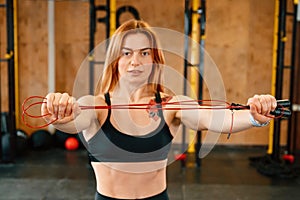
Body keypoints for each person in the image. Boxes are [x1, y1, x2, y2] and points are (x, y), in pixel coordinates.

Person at [41, 20, 277, 200]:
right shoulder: (97, 106)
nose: (136, 61)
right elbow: (72, 122)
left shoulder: (171, 105)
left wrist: (255, 117)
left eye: (145, 53)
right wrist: (57, 112)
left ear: (155, 60)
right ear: (115, 60)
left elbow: (214, 118)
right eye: (127, 53)